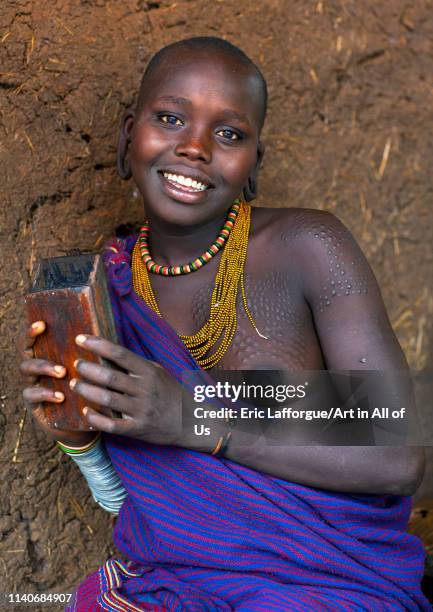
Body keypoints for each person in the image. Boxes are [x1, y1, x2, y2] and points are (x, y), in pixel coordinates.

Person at [20, 37, 429, 610]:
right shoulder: (109, 287)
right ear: (126, 135)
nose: (194, 147)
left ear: (255, 163)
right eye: (170, 118)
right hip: (167, 582)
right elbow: (131, 502)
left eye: (229, 134)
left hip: (324, 584)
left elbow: (397, 452)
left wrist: (190, 416)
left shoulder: (305, 247)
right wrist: (77, 435)